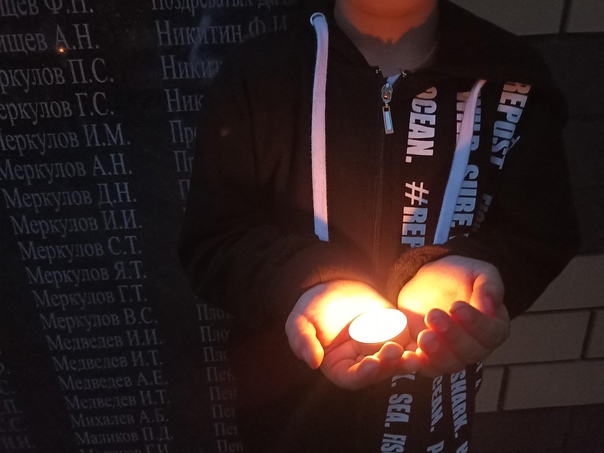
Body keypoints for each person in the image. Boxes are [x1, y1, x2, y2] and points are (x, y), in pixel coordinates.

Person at [179, 0, 579, 451]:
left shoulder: (514, 81)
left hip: (431, 412)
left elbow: (538, 235)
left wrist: (479, 278)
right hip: (289, 414)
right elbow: (215, 236)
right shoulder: (260, 75)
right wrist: (303, 281)